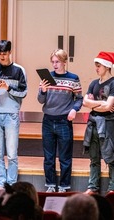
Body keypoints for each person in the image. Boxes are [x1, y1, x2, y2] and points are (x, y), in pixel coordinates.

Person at [37, 49, 83, 193]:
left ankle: (64, 186)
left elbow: (79, 98)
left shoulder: (73, 78)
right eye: (53, 62)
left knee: (65, 157)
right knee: (49, 157)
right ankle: (50, 184)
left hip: (64, 121)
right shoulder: (47, 77)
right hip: (48, 121)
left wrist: (74, 109)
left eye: (57, 62)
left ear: (64, 62)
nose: (55, 65)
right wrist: (43, 90)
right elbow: (40, 100)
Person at [0, 40, 27, 189]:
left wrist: (8, 88)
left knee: (12, 153)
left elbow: (24, 92)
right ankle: (1, 182)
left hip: (11, 115)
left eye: (5, 54)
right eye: (0, 54)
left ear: (10, 53)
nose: (2, 57)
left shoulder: (19, 70)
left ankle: (12, 183)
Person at [82, 51, 114, 194]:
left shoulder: (113, 83)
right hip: (93, 123)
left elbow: (109, 107)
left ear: (107, 66)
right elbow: (85, 102)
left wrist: (93, 104)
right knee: (94, 157)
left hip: (108, 124)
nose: (96, 68)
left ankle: (112, 187)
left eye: (99, 65)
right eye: (96, 65)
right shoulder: (93, 83)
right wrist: (101, 102)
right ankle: (92, 187)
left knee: (110, 156)